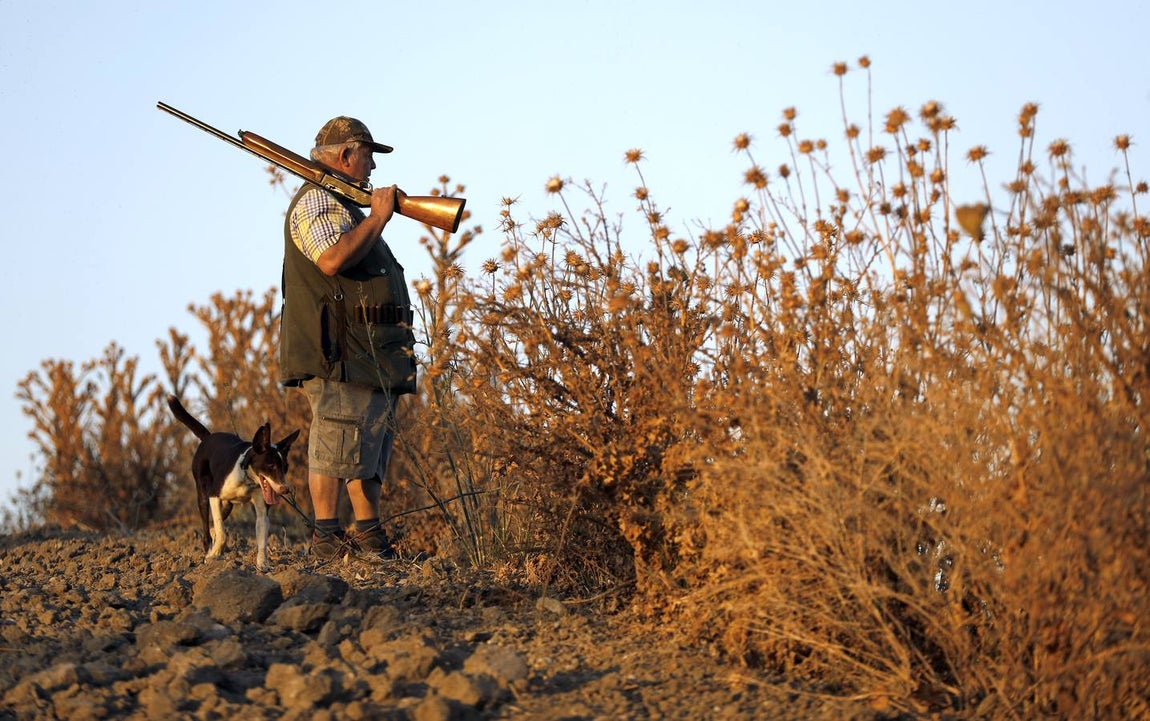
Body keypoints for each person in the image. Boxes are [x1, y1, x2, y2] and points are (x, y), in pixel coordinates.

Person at [279, 116, 418, 560]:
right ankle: (326, 537)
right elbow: (331, 259)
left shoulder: (342, 205)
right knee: (335, 439)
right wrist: (378, 217)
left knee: (365, 443)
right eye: (368, 156)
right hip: (339, 351)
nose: (372, 168)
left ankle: (369, 536)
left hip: (364, 352)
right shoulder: (318, 202)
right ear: (346, 155)